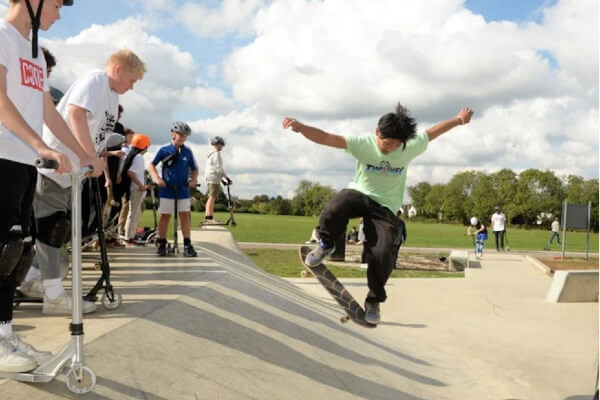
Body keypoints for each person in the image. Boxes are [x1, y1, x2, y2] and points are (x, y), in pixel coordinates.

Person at [283, 103, 474, 324]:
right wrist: (301, 127)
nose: (390, 148)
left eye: (395, 146)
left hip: (386, 207)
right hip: (359, 194)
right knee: (335, 207)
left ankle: (373, 301)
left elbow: (433, 132)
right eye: (386, 143)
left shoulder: (410, 146)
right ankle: (326, 244)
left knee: (383, 253)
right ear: (377, 133)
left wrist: (459, 119)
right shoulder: (363, 144)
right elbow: (326, 137)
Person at [0, 0, 97, 373]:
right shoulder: (4, 37)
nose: (58, 13)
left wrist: (80, 152)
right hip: (4, 157)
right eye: (56, 3)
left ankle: (5, 334)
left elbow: (46, 109)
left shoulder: (35, 53)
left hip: (25, 164)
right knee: (2, 250)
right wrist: (39, 144)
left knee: (18, 253)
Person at [32, 48, 145, 316]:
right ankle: (52, 295)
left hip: (72, 172)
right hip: (54, 166)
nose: (131, 88)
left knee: (58, 230)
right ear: (118, 69)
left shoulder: (111, 95)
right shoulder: (96, 80)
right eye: (131, 80)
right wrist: (88, 156)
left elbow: (96, 133)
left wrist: (95, 157)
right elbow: (75, 113)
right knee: (52, 228)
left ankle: (36, 282)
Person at [148, 121, 199, 257]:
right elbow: (151, 165)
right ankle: (162, 242)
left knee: (184, 216)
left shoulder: (188, 151)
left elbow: (195, 169)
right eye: (180, 134)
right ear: (173, 134)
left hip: (182, 189)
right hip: (167, 189)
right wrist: (157, 179)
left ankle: (187, 244)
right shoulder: (164, 150)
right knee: (165, 216)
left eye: (185, 136)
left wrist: (193, 180)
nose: (182, 138)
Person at [122, 134, 150, 243]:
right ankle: (128, 237)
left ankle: (131, 235)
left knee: (135, 214)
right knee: (133, 214)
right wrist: (141, 186)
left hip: (135, 189)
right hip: (137, 190)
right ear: (145, 146)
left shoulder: (134, 156)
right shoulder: (139, 158)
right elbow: (131, 173)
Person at [204, 136, 231, 223]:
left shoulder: (211, 154)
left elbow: (217, 168)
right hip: (214, 177)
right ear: (218, 145)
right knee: (212, 197)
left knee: (212, 197)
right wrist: (226, 178)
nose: (222, 147)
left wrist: (223, 179)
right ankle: (208, 217)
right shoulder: (216, 154)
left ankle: (209, 216)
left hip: (211, 177)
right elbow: (218, 168)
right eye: (221, 145)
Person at [117, 127, 135, 237]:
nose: (132, 138)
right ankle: (120, 230)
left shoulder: (128, 150)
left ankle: (121, 229)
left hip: (127, 182)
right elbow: (122, 166)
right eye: (131, 136)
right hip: (123, 182)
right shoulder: (124, 150)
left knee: (126, 207)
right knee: (124, 207)